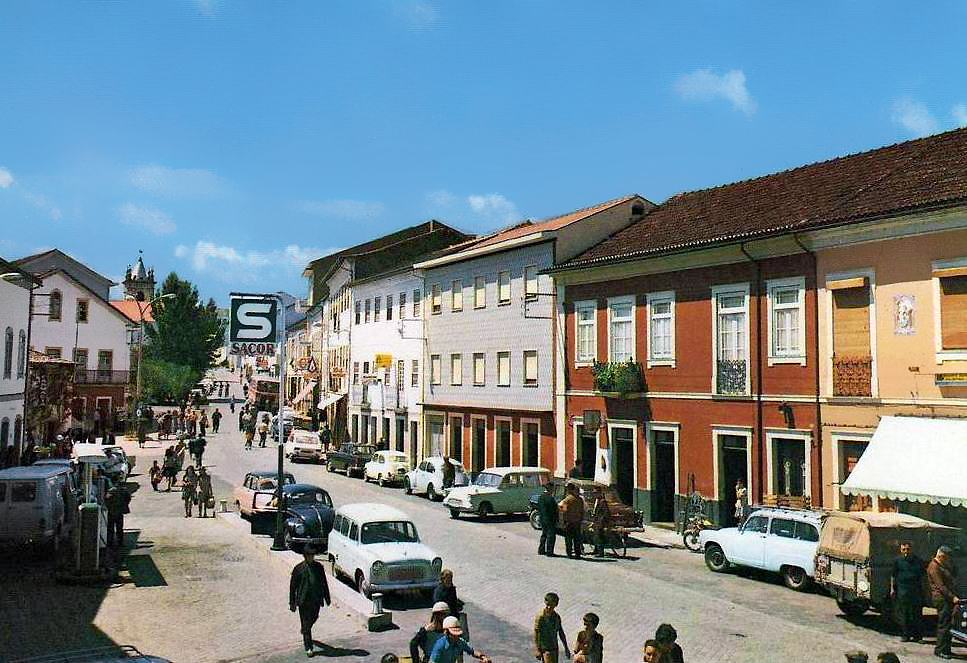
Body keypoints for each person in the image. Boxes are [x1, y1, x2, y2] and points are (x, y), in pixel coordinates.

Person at [289, 544, 332, 658]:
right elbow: (293, 587)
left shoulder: (319, 567)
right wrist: (292, 602)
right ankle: (308, 647)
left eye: (312, 555)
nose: (311, 558)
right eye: (309, 555)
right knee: (306, 622)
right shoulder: (298, 569)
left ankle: (305, 629)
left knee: (314, 617)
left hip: (316, 599)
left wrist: (327, 597)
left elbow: (324, 583)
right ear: (305, 556)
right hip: (303, 600)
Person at [927, 545, 960, 659]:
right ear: (941, 556)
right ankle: (940, 649)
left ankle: (946, 648)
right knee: (943, 625)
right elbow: (941, 586)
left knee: (948, 625)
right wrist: (953, 597)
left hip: (946, 598)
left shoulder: (941, 565)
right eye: (946, 557)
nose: (948, 560)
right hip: (942, 599)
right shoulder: (934, 567)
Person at [891, 541, 925, 642]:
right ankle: (905, 635)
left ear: (911, 549)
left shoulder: (918, 561)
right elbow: (893, 576)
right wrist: (893, 589)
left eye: (908, 549)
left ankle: (917, 636)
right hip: (902, 590)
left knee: (916, 614)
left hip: (915, 590)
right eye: (903, 549)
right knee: (904, 614)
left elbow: (922, 576)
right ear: (900, 550)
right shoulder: (897, 560)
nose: (906, 552)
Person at [533, 592, 570, 663]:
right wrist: (537, 649)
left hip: (554, 647)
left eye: (552, 606)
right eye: (548, 605)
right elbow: (536, 633)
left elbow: (561, 632)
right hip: (545, 648)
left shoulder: (556, 617)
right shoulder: (541, 617)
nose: (549, 607)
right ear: (545, 602)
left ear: (556, 605)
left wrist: (566, 648)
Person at [559, 483, 585, 559]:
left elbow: (563, 511)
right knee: (577, 538)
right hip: (577, 521)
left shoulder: (567, 500)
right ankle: (578, 553)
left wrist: (562, 521)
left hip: (569, 522)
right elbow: (582, 511)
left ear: (569, 489)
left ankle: (569, 553)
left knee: (568, 539)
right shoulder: (580, 499)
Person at [537, 481, 558, 556]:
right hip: (550, 519)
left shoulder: (541, 497)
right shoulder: (550, 498)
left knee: (544, 534)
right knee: (551, 536)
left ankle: (541, 550)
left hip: (542, 518)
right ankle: (549, 551)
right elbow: (554, 510)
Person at [105, 484, 129, 548]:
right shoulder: (123, 490)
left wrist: (108, 506)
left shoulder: (111, 491)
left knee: (110, 528)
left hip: (111, 512)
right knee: (120, 528)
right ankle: (120, 542)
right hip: (119, 512)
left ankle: (110, 543)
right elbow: (128, 498)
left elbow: (106, 500)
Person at [591, 486, 611, 557]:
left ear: (599, 493)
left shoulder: (602, 501)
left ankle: (600, 552)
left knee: (599, 537)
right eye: (593, 493)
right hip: (596, 521)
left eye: (596, 493)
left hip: (600, 523)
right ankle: (596, 550)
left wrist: (601, 521)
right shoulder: (596, 501)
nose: (594, 494)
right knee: (595, 536)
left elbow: (606, 513)